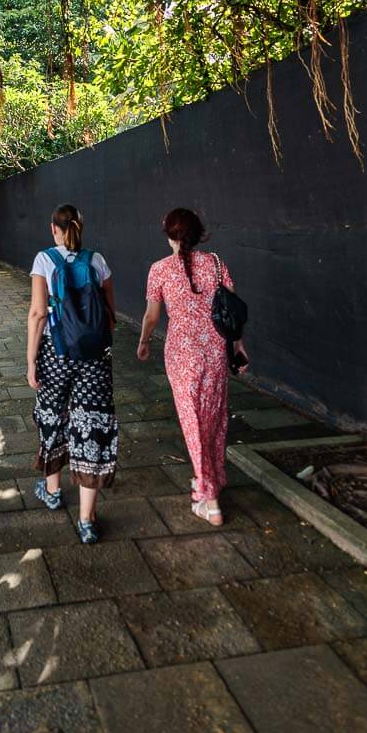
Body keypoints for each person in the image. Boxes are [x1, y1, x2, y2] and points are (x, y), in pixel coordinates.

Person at [137, 206, 246, 526]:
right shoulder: (215, 263)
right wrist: (239, 348)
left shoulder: (159, 270)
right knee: (213, 418)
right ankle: (211, 478)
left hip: (182, 357)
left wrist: (143, 341)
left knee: (192, 421)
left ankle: (209, 499)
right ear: (197, 233)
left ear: (169, 235)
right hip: (215, 353)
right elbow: (233, 313)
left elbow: (152, 317)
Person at [27, 204, 118, 544]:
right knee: (92, 425)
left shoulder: (44, 260)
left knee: (51, 416)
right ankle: (86, 519)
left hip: (56, 353)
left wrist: (31, 360)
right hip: (94, 357)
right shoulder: (98, 260)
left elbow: (37, 314)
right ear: (81, 226)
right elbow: (110, 317)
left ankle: (52, 491)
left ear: (54, 228)